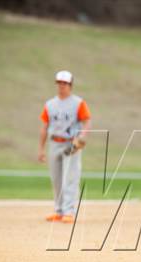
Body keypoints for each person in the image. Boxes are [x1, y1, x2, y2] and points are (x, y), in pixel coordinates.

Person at [38, 70, 91, 223]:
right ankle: (59, 210)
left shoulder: (78, 103)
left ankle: (69, 211)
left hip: (71, 144)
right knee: (56, 178)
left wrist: (82, 136)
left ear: (70, 85)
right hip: (54, 142)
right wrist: (41, 149)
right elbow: (44, 127)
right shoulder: (50, 104)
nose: (62, 86)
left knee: (70, 177)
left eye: (65, 83)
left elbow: (87, 121)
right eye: (59, 83)